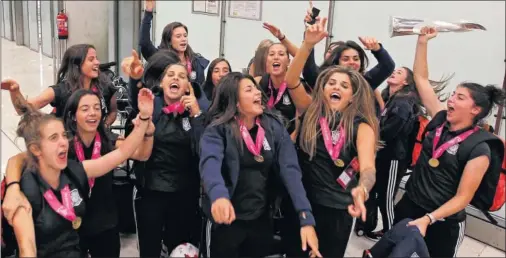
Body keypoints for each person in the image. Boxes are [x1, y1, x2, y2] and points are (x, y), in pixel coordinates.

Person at [0, 87, 154, 258]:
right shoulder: (28, 189)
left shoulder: (75, 168)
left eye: (63, 136)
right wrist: (12, 187)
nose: (63, 142)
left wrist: (144, 118)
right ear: (36, 149)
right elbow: (27, 249)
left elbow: (121, 153)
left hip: (95, 233)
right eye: (54, 138)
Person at [394, 26, 505, 257]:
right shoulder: (440, 118)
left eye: (459, 97)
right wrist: (422, 41)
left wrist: (429, 219)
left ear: (475, 109)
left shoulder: (479, 148)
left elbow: (463, 198)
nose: (451, 99)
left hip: (441, 222)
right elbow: (421, 78)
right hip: (410, 206)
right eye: (453, 94)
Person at [281, 18, 379, 258]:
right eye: (331, 83)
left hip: (338, 207)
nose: (336, 87)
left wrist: (363, 190)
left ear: (352, 96)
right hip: (303, 202)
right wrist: (307, 44)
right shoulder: (310, 110)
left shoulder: (362, 126)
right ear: (323, 89)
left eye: (344, 85)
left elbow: (368, 169)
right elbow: (291, 80)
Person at [200, 72, 321, 257]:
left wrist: (305, 217)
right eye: (249, 90)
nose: (258, 92)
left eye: (256, 88)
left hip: (260, 218)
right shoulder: (217, 131)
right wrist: (218, 196)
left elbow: (291, 171)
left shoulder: (273, 127)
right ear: (235, 101)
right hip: (225, 220)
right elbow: (210, 164)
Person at [123, 49, 206, 257]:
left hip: (184, 192)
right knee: (149, 249)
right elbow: (137, 103)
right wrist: (135, 80)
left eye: (182, 76)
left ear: (188, 86)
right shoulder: (153, 104)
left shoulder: (195, 110)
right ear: (161, 83)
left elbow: (203, 148)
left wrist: (196, 114)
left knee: (179, 248)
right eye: (170, 75)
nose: (176, 78)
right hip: (151, 189)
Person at [363, 67, 451, 241]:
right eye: (394, 70)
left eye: (400, 73)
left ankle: (390, 234)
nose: (394, 72)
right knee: (376, 194)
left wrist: (371, 139)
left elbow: (390, 131)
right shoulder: (392, 97)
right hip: (384, 155)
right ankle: (373, 227)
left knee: (386, 198)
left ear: (406, 82)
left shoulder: (403, 102)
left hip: (394, 158)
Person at [1, 44, 118, 127]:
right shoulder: (62, 90)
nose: (97, 62)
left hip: (95, 142)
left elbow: (113, 112)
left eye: (96, 58)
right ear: (77, 65)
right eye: (91, 59)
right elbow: (24, 109)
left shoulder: (104, 85)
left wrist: (104, 127)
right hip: (68, 146)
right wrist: (15, 91)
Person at [139, 0, 209, 86]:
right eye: (178, 36)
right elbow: (144, 43)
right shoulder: (160, 58)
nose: (183, 39)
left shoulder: (196, 62)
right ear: (169, 41)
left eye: (185, 35)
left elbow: (201, 90)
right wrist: (148, 12)